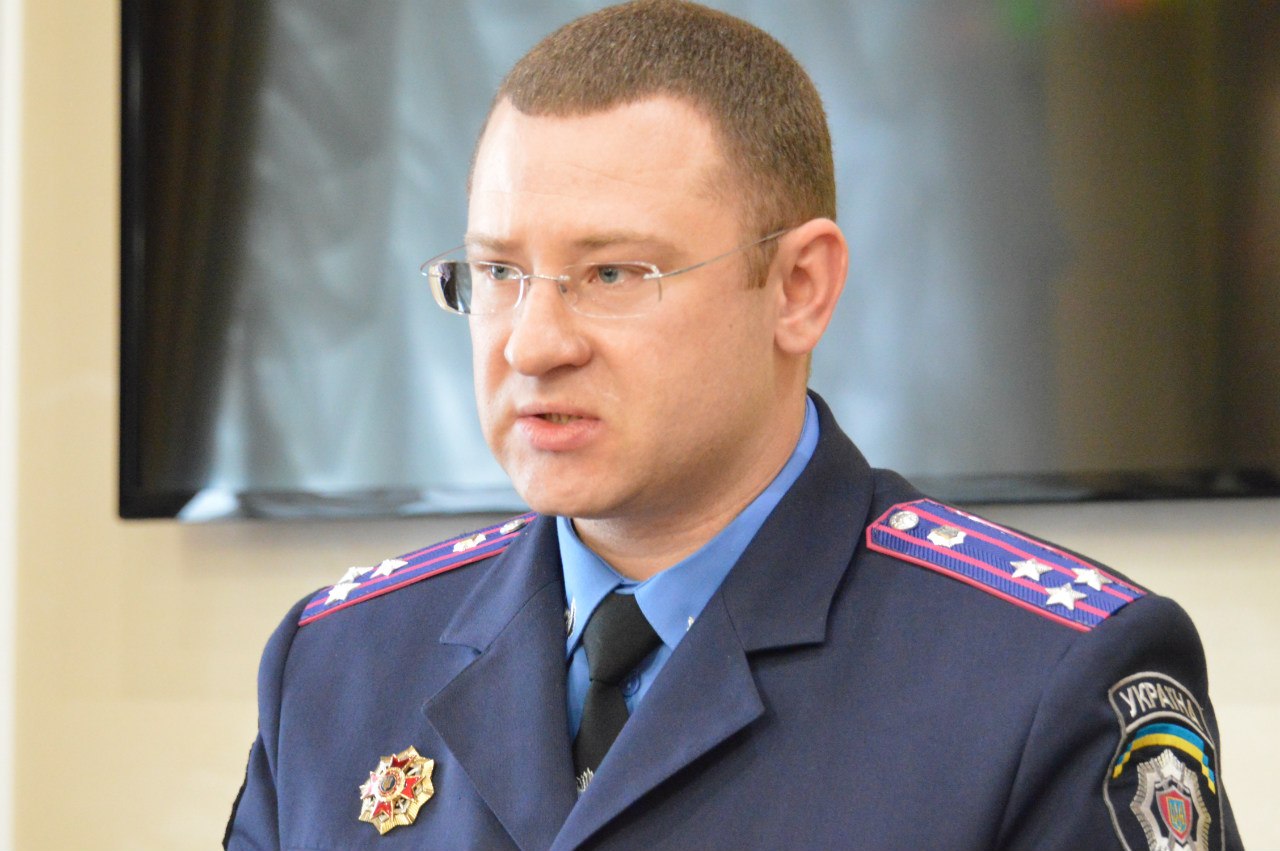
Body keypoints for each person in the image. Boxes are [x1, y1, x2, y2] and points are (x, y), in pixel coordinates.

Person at [225, 2, 1242, 849]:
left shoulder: (1042, 675)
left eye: (612, 272)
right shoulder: (338, 664)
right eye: (497, 271)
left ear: (799, 287)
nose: (531, 344)